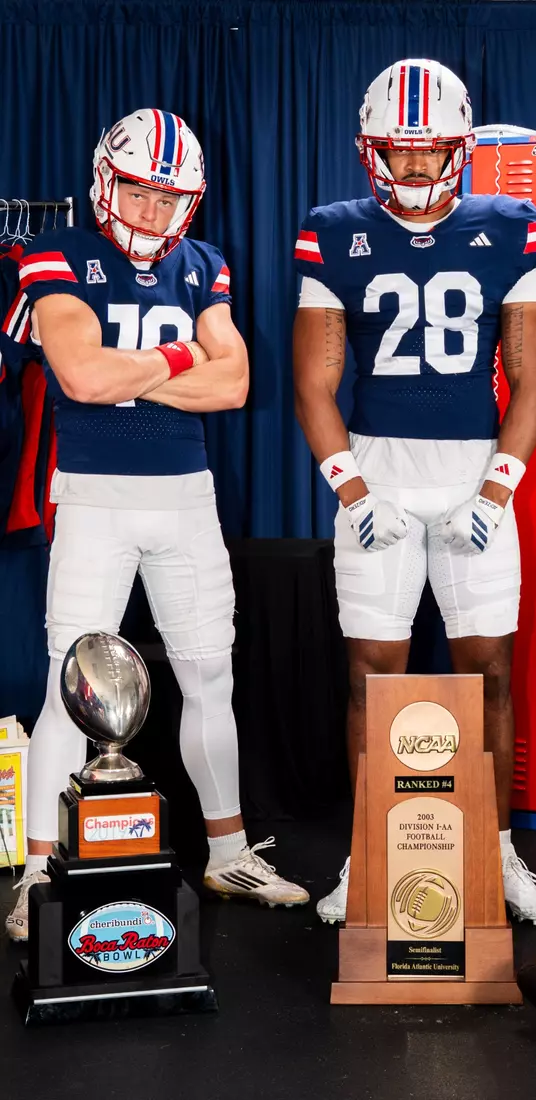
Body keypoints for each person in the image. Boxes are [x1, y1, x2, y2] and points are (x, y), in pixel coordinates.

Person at [5, 109, 308, 942]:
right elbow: (79, 373)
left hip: (187, 495)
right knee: (72, 689)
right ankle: (38, 871)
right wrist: (179, 361)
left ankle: (228, 850)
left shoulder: (204, 263)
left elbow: (236, 384)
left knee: (212, 673)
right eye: (137, 189)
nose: (148, 210)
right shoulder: (55, 252)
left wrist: (128, 374)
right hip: (95, 495)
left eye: (166, 196)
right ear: (108, 180)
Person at [293, 59, 536, 925]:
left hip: (475, 470)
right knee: (375, 673)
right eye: (397, 154)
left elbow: (532, 380)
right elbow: (313, 382)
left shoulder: (510, 224)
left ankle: (497, 847)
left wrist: (496, 491)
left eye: (429, 153)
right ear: (371, 151)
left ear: (461, 148)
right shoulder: (332, 229)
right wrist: (351, 488)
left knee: (489, 672)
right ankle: (372, 849)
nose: (413, 171)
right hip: (379, 470)